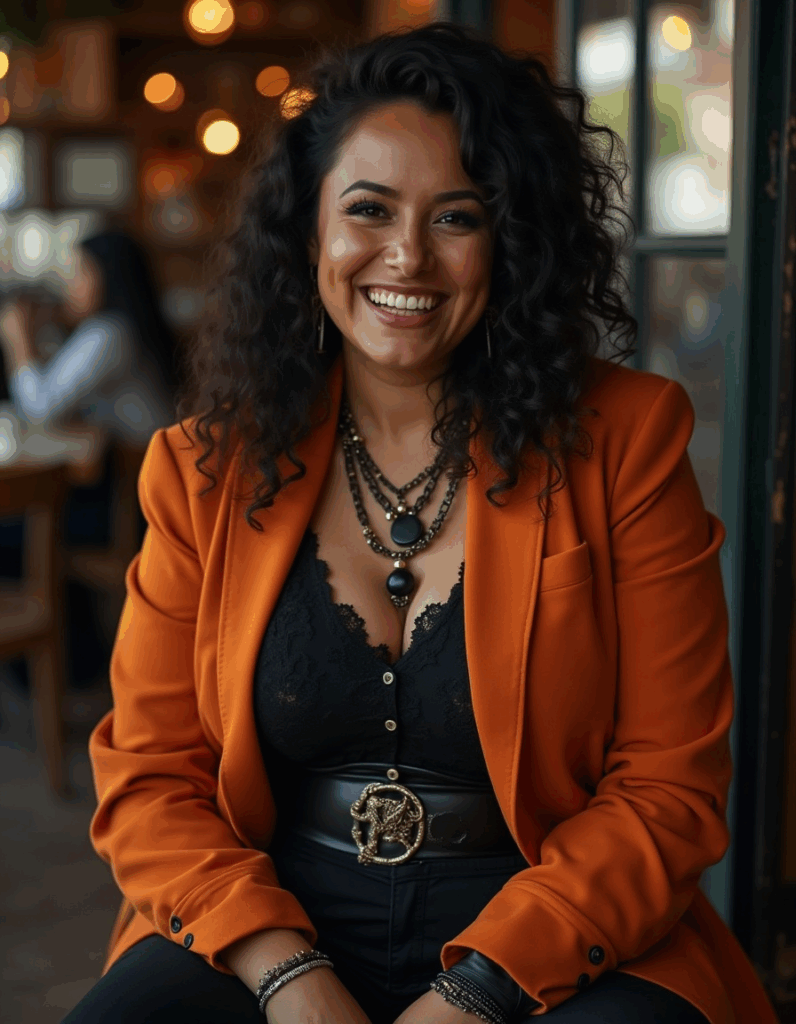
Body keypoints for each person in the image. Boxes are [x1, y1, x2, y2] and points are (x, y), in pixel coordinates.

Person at [63, 22, 778, 1024]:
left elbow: (668, 786)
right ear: (309, 234)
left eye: (456, 217)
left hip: (555, 922)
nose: (407, 256)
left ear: (511, 243)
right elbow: (148, 774)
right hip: (266, 918)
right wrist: (285, 973)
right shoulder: (200, 468)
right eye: (368, 210)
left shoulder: (628, 438)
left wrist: (477, 987)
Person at [0, 230, 177, 448]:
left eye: (80, 273)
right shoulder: (124, 329)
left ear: (108, 276)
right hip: (143, 460)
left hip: (139, 470)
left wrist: (19, 341)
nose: (69, 285)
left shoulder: (110, 334)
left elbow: (39, 411)